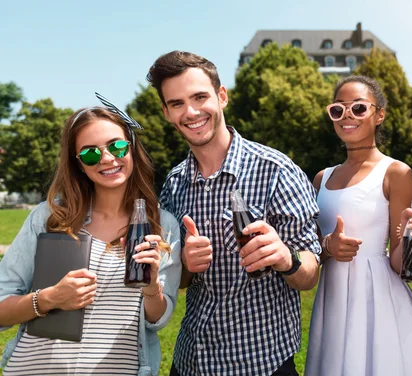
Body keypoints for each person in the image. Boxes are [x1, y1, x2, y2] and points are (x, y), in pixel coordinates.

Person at [147, 50, 321, 376]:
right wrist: (185, 263)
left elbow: (310, 273)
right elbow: (177, 281)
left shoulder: (277, 170)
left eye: (200, 97)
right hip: (191, 361)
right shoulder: (173, 185)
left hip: (261, 362)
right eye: (177, 103)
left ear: (222, 96)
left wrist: (286, 258)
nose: (192, 111)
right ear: (166, 113)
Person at [0, 102, 182, 376]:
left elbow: (157, 319)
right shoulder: (49, 217)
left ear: (131, 148)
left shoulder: (162, 224)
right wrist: (49, 299)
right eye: (90, 153)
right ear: (78, 164)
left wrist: (151, 282)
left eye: (117, 147)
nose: (108, 159)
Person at [305, 75, 412, 375]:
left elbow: (408, 267)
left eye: (359, 108)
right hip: (332, 301)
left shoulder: (396, 173)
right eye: (338, 110)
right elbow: (311, 251)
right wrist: (328, 247)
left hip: (380, 303)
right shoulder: (321, 179)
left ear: (379, 114)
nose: (347, 115)